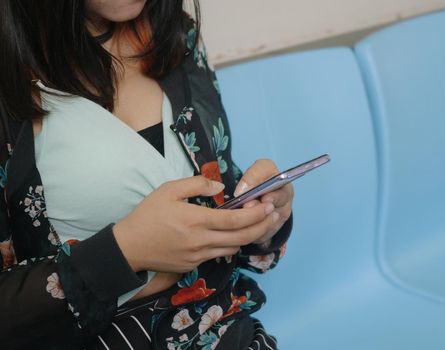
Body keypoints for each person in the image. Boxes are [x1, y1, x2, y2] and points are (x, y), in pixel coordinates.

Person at [0, 0, 294, 349]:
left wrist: (265, 214)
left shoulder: (176, 36)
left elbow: (222, 212)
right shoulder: (11, 80)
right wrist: (125, 252)